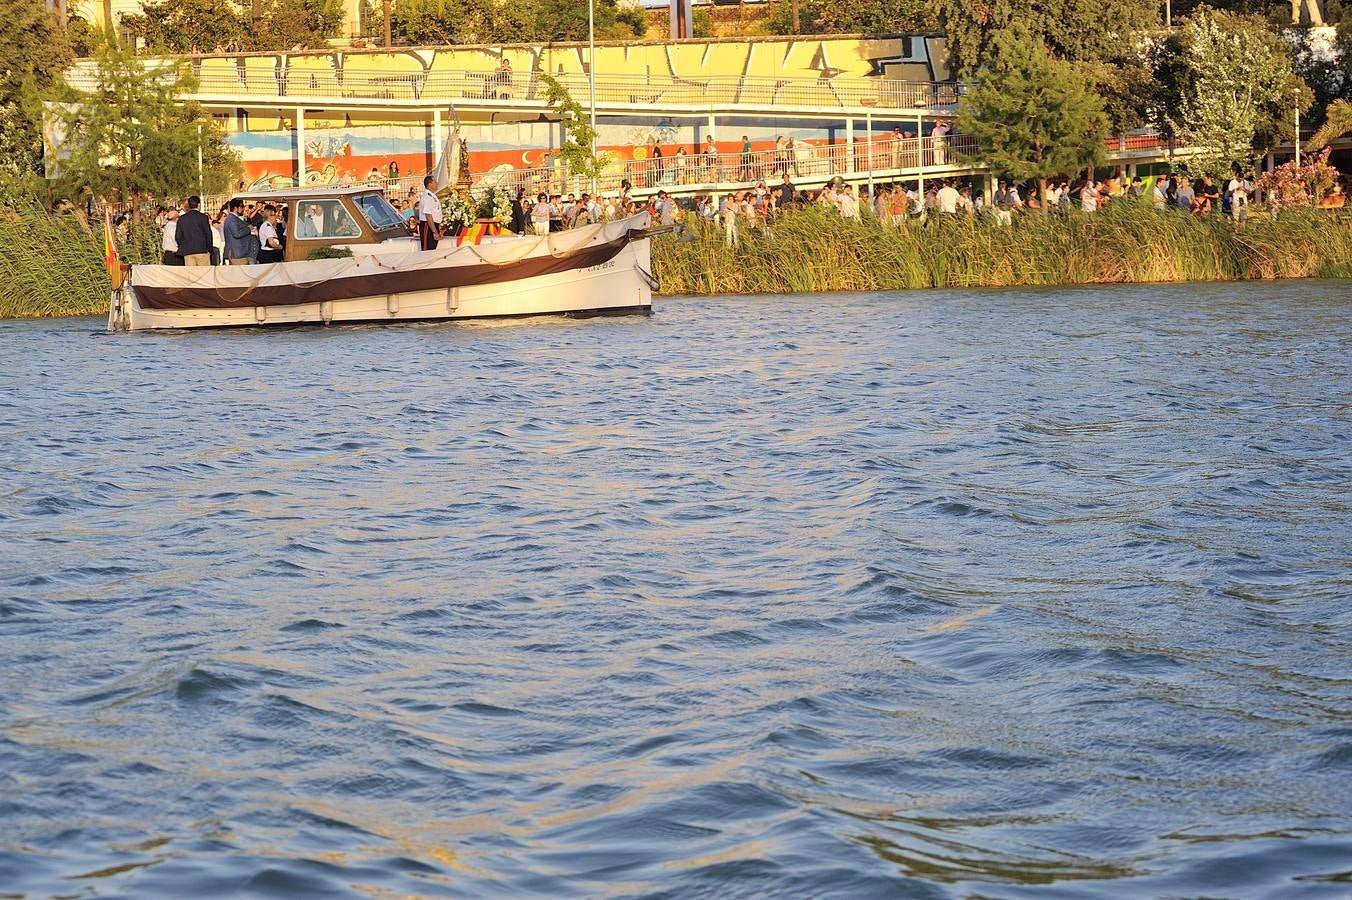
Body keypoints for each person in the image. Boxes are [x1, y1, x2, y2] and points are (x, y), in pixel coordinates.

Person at [222, 198, 254, 266]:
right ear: (236, 208)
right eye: (241, 207)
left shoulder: (234, 218)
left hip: (239, 252)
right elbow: (237, 233)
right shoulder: (231, 219)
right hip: (237, 253)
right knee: (239, 275)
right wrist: (248, 228)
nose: (243, 209)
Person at [418, 175, 443, 250]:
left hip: (432, 225)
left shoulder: (432, 195)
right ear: (429, 184)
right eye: (435, 182)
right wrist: (434, 232)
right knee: (427, 250)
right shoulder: (427, 196)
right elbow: (428, 215)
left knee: (432, 249)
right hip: (428, 226)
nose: (437, 183)